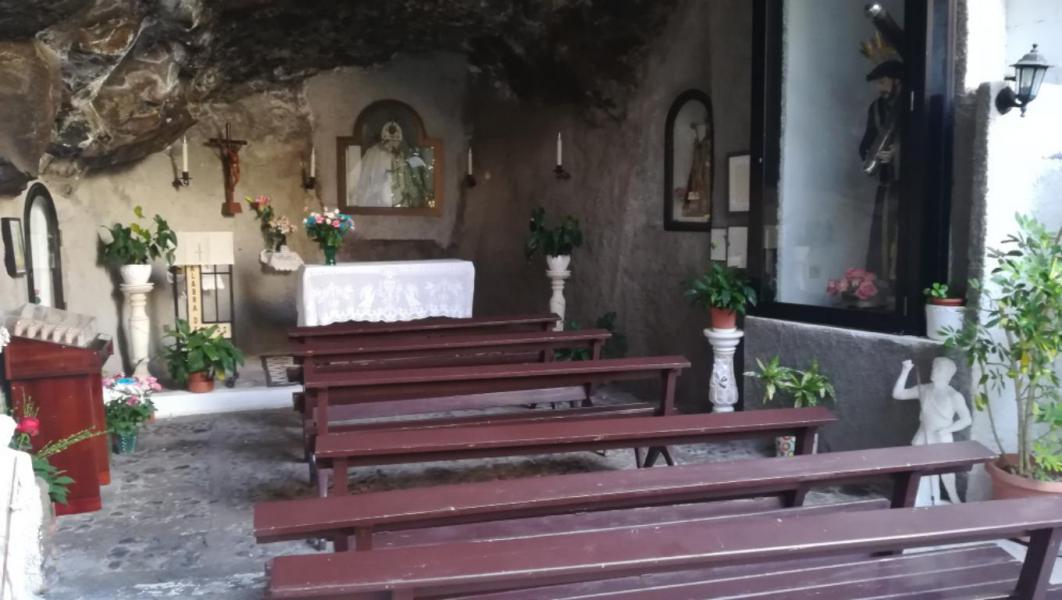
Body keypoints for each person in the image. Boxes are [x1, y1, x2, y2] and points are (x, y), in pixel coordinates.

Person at [892, 357, 972, 505]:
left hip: (942, 438)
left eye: (937, 369)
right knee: (919, 470)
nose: (933, 371)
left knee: (946, 472)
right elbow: (899, 394)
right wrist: (905, 371)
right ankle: (921, 499)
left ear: (947, 374)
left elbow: (966, 419)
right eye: (934, 367)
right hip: (923, 436)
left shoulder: (954, 396)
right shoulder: (924, 389)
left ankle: (954, 498)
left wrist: (947, 429)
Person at [858, 59, 903, 286]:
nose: (880, 88)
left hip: (907, 186)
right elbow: (866, 141)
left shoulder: (909, 105)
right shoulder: (876, 108)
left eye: (883, 82)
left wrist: (897, 152)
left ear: (896, 82)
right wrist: (871, 156)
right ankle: (880, 284)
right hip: (886, 183)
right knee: (881, 237)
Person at [0, 415, 44, 600]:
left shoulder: (19, 458)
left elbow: (27, 488)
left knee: (13, 556)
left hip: (11, 514)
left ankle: (17, 593)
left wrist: (19, 502)